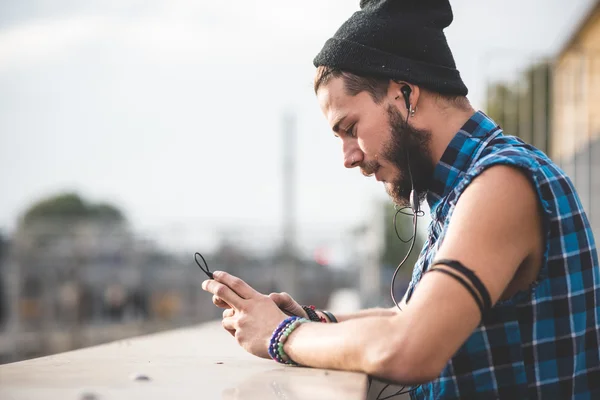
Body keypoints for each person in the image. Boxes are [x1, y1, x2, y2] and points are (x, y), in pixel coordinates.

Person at [202, 0, 600, 398]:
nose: (348, 157)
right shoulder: (464, 189)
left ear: (406, 94)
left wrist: (280, 334)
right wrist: (311, 320)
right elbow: (409, 316)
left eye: (350, 127)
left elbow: (409, 345)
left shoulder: (503, 183)